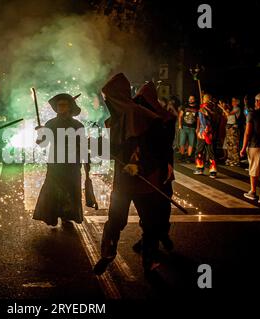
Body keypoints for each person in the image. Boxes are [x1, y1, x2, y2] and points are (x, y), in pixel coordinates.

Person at [94, 74, 175, 278]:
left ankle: (149, 261)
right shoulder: (117, 118)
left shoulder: (142, 116)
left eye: (108, 97)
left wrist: (140, 165)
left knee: (150, 222)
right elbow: (111, 149)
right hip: (123, 180)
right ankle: (107, 254)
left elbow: (161, 148)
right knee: (115, 219)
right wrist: (91, 145)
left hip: (145, 180)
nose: (106, 101)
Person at [33, 93, 85, 227]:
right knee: (53, 190)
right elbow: (42, 143)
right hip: (55, 162)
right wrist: (40, 133)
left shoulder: (77, 125)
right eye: (58, 105)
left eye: (63, 105)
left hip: (72, 163)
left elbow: (83, 145)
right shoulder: (50, 123)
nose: (60, 108)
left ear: (69, 107)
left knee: (70, 190)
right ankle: (52, 216)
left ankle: (67, 216)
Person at [194, 94, 217, 178]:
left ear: (205, 99)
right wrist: (197, 128)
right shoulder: (212, 108)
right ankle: (212, 171)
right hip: (209, 132)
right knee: (210, 152)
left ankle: (200, 169)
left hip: (205, 133)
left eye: (203, 98)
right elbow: (199, 120)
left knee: (199, 151)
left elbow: (204, 121)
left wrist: (204, 129)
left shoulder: (204, 108)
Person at [218, 97, 241, 166]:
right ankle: (230, 159)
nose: (232, 102)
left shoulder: (237, 108)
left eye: (234, 101)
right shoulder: (231, 108)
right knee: (229, 144)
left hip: (233, 128)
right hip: (228, 127)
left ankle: (236, 160)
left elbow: (229, 114)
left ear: (237, 102)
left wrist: (222, 108)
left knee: (234, 144)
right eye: (232, 101)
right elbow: (226, 116)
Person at [178, 95, 199, 162]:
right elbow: (180, 116)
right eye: (189, 98)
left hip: (192, 128)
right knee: (182, 142)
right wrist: (180, 125)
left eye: (192, 99)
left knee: (191, 143)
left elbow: (198, 119)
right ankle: (182, 156)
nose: (190, 100)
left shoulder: (197, 108)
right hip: (184, 127)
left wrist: (197, 128)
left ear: (194, 100)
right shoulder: (184, 106)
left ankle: (189, 157)